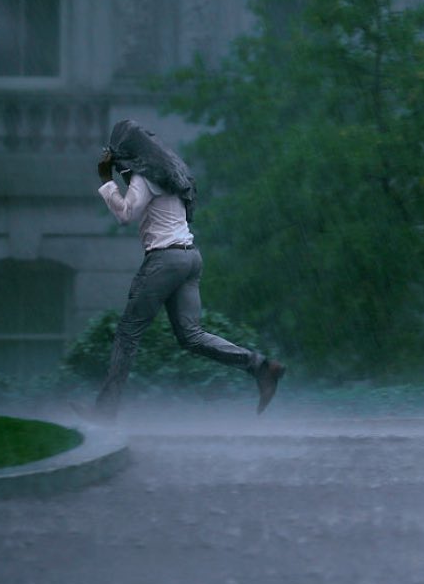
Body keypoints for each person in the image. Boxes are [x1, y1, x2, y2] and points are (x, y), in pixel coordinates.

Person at [75, 119, 285, 422]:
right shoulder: (170, 173)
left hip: (164, 260)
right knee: (191, 336)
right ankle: (261, 366)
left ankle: (105, 412)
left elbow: (126, 214)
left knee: (127, 334)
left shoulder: (144, 178)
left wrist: (106, 180)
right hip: (189, 258)